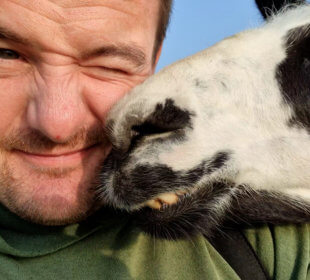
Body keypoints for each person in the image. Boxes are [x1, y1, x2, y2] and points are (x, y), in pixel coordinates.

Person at [0, 1, 308, 279]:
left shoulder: (269, 243)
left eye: (109, 66)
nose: (57, 126)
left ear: (152, 61)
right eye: (7, 56)